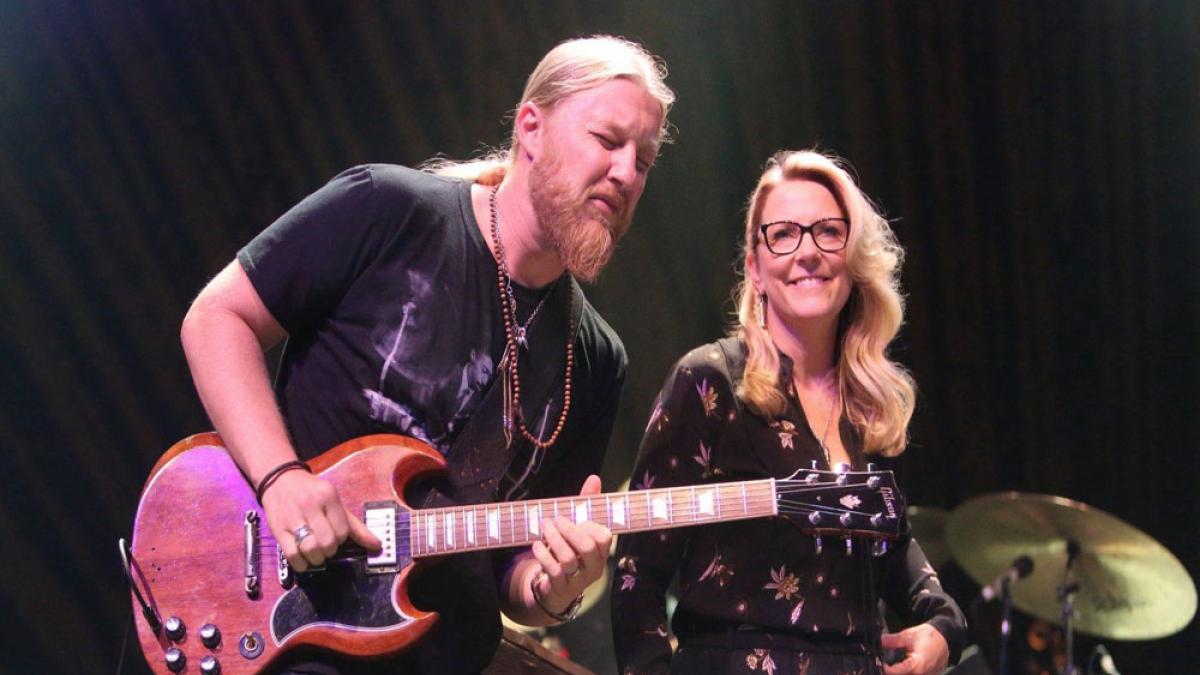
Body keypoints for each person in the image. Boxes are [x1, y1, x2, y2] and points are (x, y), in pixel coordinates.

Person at [179, 35, 674, 674]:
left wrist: (553, 587)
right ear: (531, 127)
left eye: (644, 160)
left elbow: (515, 572)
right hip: (287, 627)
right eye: (608, 140)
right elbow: (217, 319)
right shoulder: (388, 209)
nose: (627, 173)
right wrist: (281, 478)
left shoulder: (597, 358)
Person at [611, 150, 967, 674]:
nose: (807, 252)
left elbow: (907, 567)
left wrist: (944, 629)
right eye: (783, 234)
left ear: (854, 258)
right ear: (755, 268)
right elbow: (635, 575)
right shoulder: (709, 380)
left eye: (829, 232)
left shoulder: (868, 405)